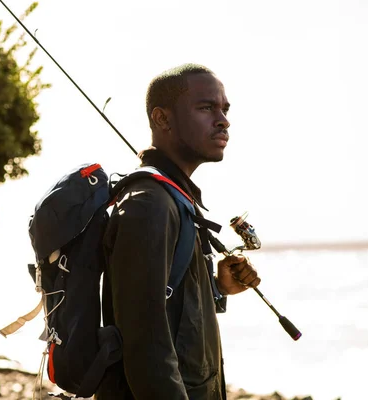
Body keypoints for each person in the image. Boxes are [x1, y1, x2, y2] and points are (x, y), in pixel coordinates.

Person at [95, 64, 261, 400]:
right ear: (162, 119)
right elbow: (146, 349)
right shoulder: (149, 204)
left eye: (225, 109)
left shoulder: (174, 198)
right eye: (206, 107)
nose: (223, 120)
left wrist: (216, 289)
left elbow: (167, 314)